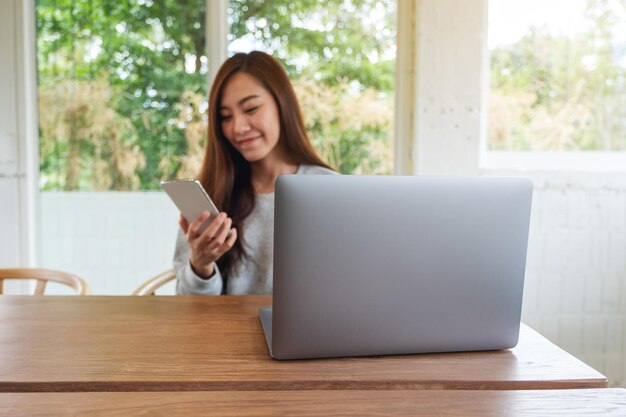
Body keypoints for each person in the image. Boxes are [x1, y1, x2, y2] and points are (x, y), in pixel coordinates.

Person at [174, 51, 335, 295]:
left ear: (282, 104)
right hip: (224, 332)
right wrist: (200, 264)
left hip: (305, 333)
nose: (238, 127)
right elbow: (189, 306)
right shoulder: (211, 192)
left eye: (251, 109)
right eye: (225, 117)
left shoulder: (329, 190)